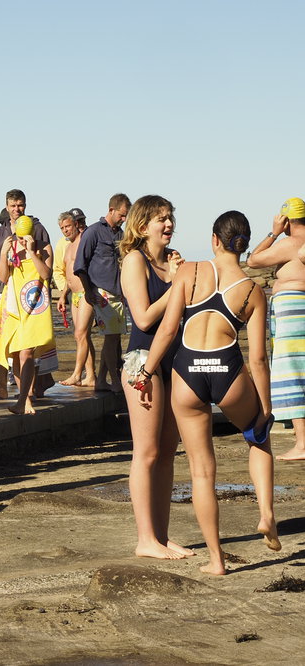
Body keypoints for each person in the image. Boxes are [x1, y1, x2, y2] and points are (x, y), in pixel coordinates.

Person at [141, 210, 281, 575]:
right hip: (228, 374)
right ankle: (266, 513)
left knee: (202, 472)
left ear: (214, 240)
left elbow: (168, 330)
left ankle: (217, 561)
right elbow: (259, 359)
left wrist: (146, 370)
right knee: (258, 438)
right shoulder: (253, 290)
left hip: (187, 375)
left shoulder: (191, 272)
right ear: (244, 244)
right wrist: (265, 407)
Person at [118, 195, 189, 559]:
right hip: (142, 361)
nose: (169, 224)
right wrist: (176, 284)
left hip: (173, 361)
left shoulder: (172, 263)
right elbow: (144, 318)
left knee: (166, 454)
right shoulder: (135, 260)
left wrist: (181, 278)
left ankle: (161, 536)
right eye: (161, 218)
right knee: (145, 453)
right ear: (142, 226)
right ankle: (145, 538)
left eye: (171, 217)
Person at [246, 197, 305, 461]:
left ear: (287, 220)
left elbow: (253, 260)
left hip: (293, 312)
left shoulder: (290, 244)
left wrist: (273, 232)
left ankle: (302, 444)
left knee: (291, 373)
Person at [0, 190, 56, 400]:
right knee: (10, 349)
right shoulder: (1, 233)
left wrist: (32, 250)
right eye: (13, 205)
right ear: (7, 207)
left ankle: (30, 392)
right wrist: (4, 253)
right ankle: (21, 393)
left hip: (32, 297)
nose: (17, 209)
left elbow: (46, 270)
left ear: (25, 205)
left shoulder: (38, 229)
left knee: (29, 350)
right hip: (7, 295)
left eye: (20, 205)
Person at [74, 193, 132, 393]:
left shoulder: (120, 235)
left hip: (117, 293)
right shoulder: (94, 232)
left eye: (126, 216)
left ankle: (101, 381)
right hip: (101, 292)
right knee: (112, 337)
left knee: (114, 337)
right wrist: (88, 290)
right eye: (122, 215)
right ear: (111, 210)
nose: (123, 219)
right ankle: (115, 380)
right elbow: (80, 265)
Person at [56, 211, 96, 386]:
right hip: (74, 295)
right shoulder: (68, 246)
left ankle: (77, 374)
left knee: (81, 333)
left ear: (76, 225)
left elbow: (90, 267)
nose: (66, 230)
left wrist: (91, 291)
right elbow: (68, 274)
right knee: (81, 336)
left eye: (68, 226)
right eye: (62, 228)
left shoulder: (84, 241)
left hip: (86, 293)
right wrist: (63, 296)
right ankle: (91, 376)